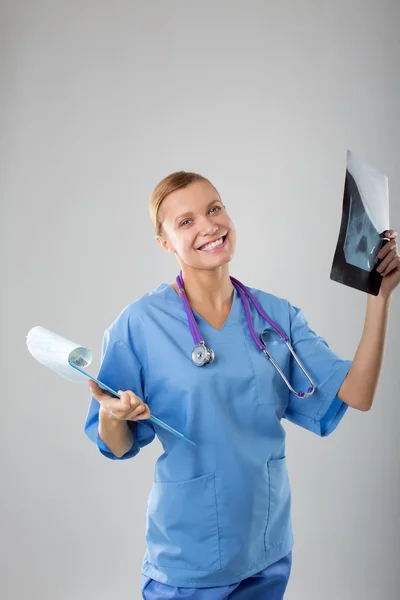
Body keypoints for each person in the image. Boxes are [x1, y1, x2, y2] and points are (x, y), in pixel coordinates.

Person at [84, 171, 400, 599]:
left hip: (265, 550)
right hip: (187, 556)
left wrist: (379, 299)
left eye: (214, 209)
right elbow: (117, 445)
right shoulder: (139, 324)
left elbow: (358, 393)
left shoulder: (275, 316)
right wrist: (110, 412)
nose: (209, 226)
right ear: (165, 243)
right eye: (186, 221)